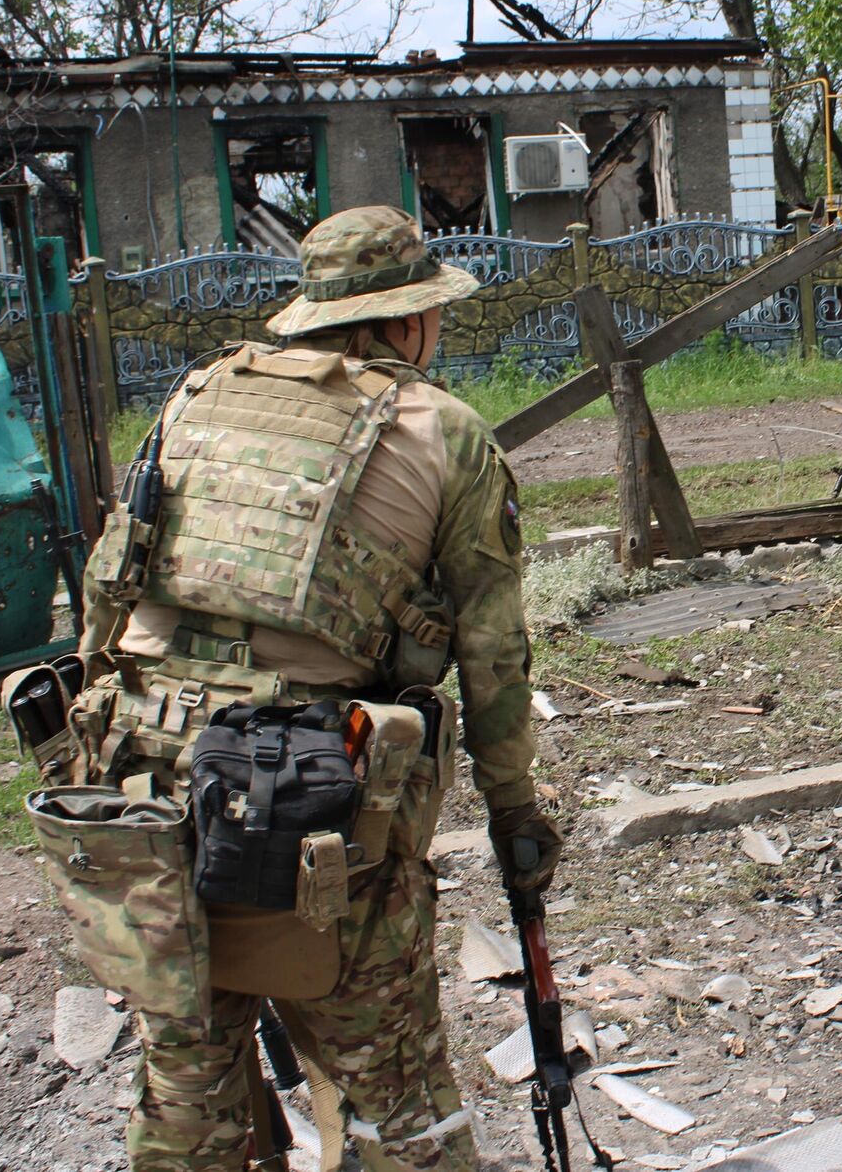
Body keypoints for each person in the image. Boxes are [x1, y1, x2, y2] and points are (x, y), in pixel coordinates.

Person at [67, 205, 559, 1169]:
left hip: (140, 789)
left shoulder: (195, 395)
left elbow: (107, 586)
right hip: (306, 802)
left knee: (186, 1099)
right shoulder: (447, 432)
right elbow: (493, 656)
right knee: (396, 1100)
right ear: (401, 322)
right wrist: (516, 815)